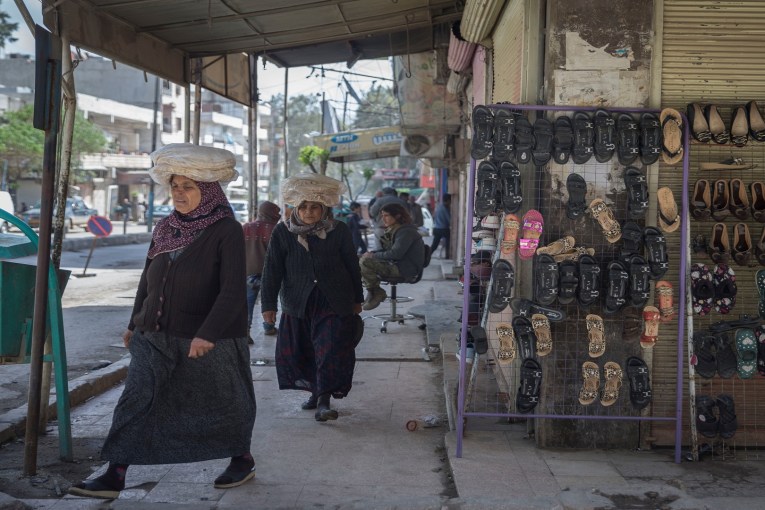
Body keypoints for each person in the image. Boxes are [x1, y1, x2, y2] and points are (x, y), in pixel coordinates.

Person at [68, 144, 257, 499]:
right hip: (153, 334)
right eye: (175, 186)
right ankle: (115, 474)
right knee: (136, 398)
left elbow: (233, 289)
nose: (179, 194)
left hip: (207, 338)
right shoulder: (166, 226)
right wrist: (132, 321)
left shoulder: (226, 229)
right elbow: (147, 277)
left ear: (208, 191)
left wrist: (207, 334)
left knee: (223, 400)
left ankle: (241, 458)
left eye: (188, 186)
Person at [261, 173, 364, 422]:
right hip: (298, 303)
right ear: (295, 208)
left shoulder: (337, 230)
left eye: (314, 207)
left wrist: (357, 298)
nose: (308, 212)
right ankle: (315, 392)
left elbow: (352, 264)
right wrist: (268, 304)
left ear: (323, 209)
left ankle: (323, 401)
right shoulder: (282, 232)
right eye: (303, 206)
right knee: (303, 351)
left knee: (329, 350)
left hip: (334, 300)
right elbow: (272, 269)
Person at [359, 202, 425, 311]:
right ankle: (372, 291)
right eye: (382, 216)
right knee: (360, 258)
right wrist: (372, 253)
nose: (383, 219)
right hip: (396, 265)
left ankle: (375, 292)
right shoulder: (396, 229)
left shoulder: (406, 231)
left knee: (365, 261)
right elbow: (388, 250)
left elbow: (395, 254)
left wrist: (373, 256)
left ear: (398, 216)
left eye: (386, 216)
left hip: (405, 269)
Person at [243, 201, 281, 342]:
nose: (278, 215)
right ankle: (269, 326)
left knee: (248, 303)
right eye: (276, 212)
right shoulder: (276, 229)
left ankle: (245, 331)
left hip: (248, 272)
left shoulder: (246, 227)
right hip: (270, 273)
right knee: (270, 300)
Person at [431, 193, 451, 259]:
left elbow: (434, 217)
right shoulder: (445, 209)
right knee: (448, 243)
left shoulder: (439, 207)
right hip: (444, 229)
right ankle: (447, 256)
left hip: (437, 228)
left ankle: (428, 254)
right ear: (448, 200)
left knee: (435, 244)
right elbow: (449, 219)